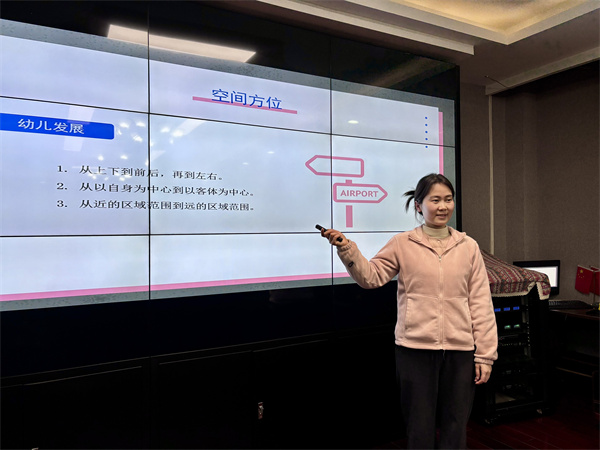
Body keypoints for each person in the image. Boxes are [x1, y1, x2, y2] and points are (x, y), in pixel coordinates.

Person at [321, 173, 498, 449]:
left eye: (448, 199)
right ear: (418, 205)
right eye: (435, 200)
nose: (443, 206)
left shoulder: (468, 247)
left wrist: (485, 355)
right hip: (414, 349)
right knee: (419, 427)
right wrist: (347, 249)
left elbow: (480, 302)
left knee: (455, 426)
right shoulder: (402, 243)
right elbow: (371, 277)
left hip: (460, 351)